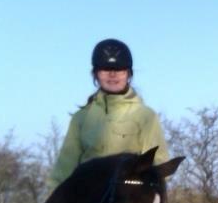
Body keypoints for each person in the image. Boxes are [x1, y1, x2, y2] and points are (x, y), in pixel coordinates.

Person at [48, 38, 169, 187]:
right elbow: (64, 169)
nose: (112, 75)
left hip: (130, 197)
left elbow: (159, 164)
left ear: (128, 74)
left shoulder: (146, 116)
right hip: (89, 196)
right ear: (96, 74)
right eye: (105, 69)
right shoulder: (81, 118)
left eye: (119, 69)